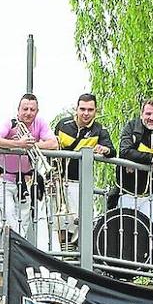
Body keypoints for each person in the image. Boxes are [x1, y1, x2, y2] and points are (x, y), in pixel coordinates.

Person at [0, 94, 58, 250]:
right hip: (3, 178)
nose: (28, 113)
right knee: (9, 218)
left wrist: (32, 145)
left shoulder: (40, 123)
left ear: (37, 111)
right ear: (18, 110)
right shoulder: (10, 123)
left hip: (26, 181)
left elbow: (53, 143)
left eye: (32, 109)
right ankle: (15, 253)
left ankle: (16, 254)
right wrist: (18, 144)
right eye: (25, 109)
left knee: (23, 222)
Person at [52, 93, 115, 247]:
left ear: (96, 111)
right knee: (59, 223)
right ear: (77, 109)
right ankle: (63, 256)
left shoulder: (99, 130)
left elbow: (112, 151)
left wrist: (104, 149)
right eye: (83, 109)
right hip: (59, 181)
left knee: (80, 222)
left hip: (80, 182)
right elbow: (51, 145)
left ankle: (75, 257)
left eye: (90, 110)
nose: (86, 113)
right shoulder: (63, 124)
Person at [115, 99, 153, 233]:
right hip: (128, 190)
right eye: (148, 114)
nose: (152, 118)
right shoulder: (131, 127)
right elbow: (125, 151)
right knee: (125, 230)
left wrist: (137, 159)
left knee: (151, 231)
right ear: (141, 114)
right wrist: (152, 158)